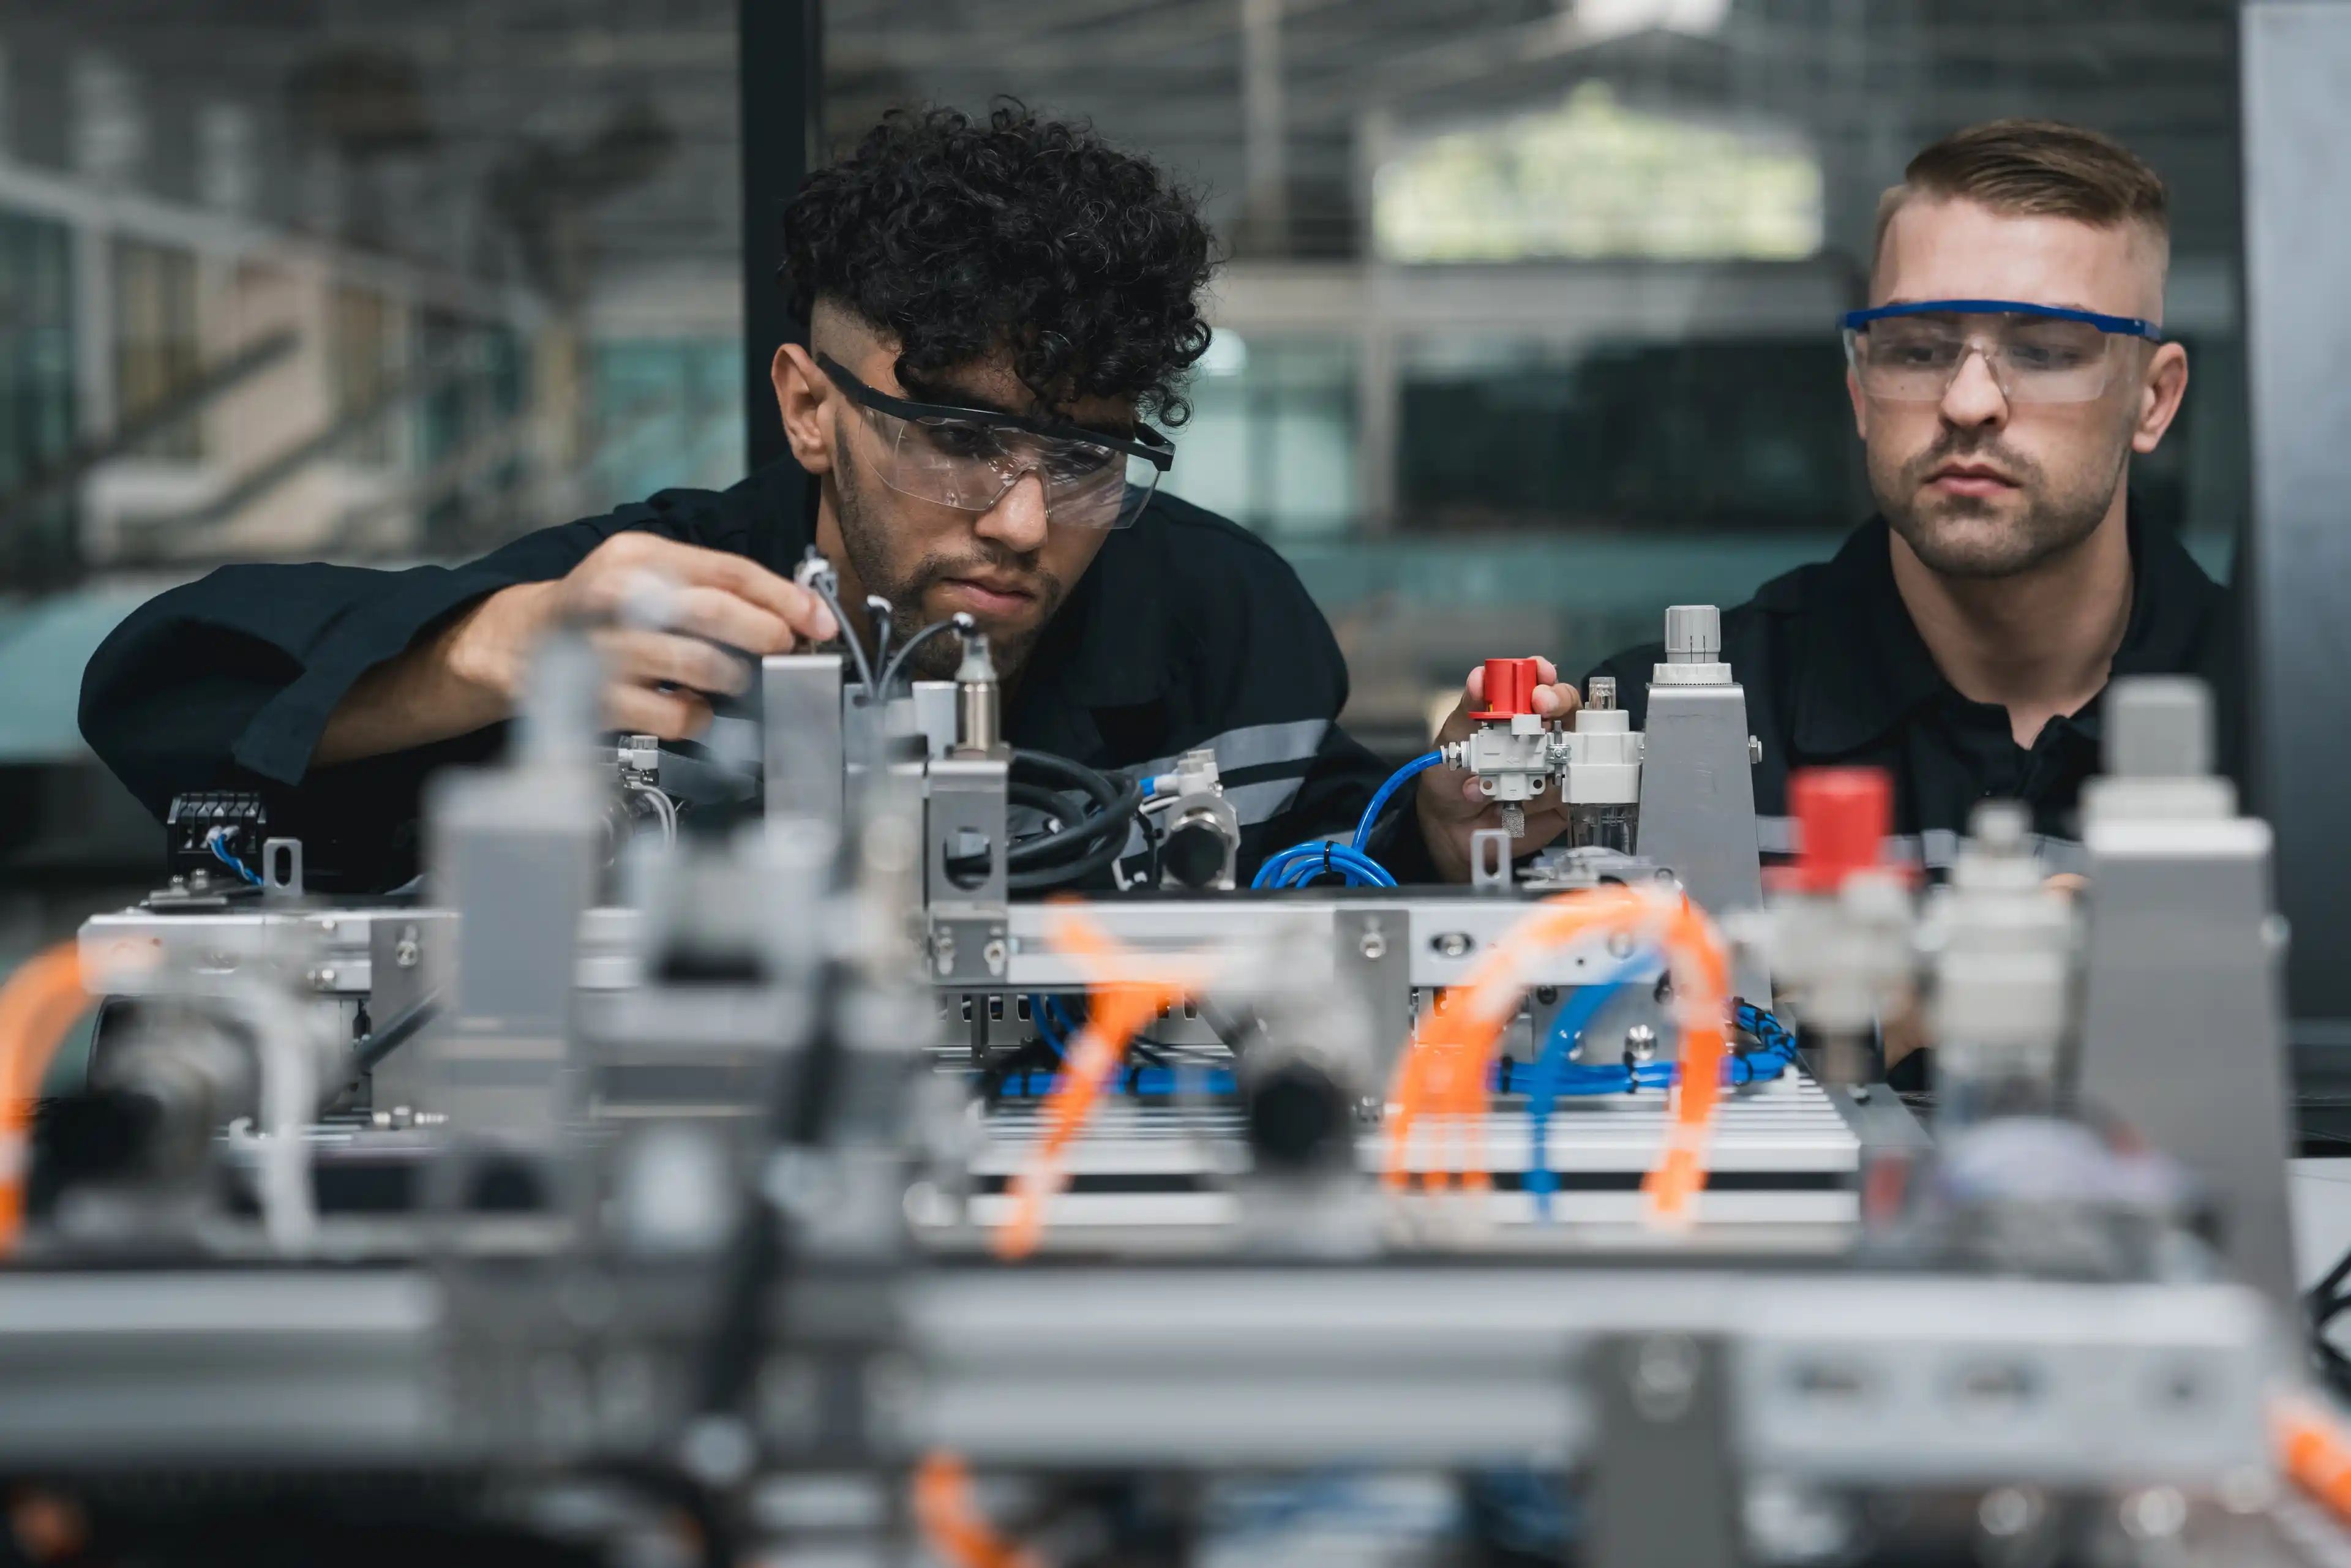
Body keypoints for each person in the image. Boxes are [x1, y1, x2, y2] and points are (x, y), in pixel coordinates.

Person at [80, 104, 1528, 890]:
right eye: (959, 436)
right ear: (808, 406)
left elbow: (1328, 854)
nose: (1024, 520)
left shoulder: (1212, 610)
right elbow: (159, 699)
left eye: (1083, 455)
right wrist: (491, 649)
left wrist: (1442, 834)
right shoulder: (649, 598)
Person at [1586, 118, 2224, 877]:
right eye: (1918, 350)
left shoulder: (2287, 717)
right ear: (1860, 388)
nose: (1968, 401)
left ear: (2154, 400)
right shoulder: (1655, 732)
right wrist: (1433, 832)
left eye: (2046, 351)